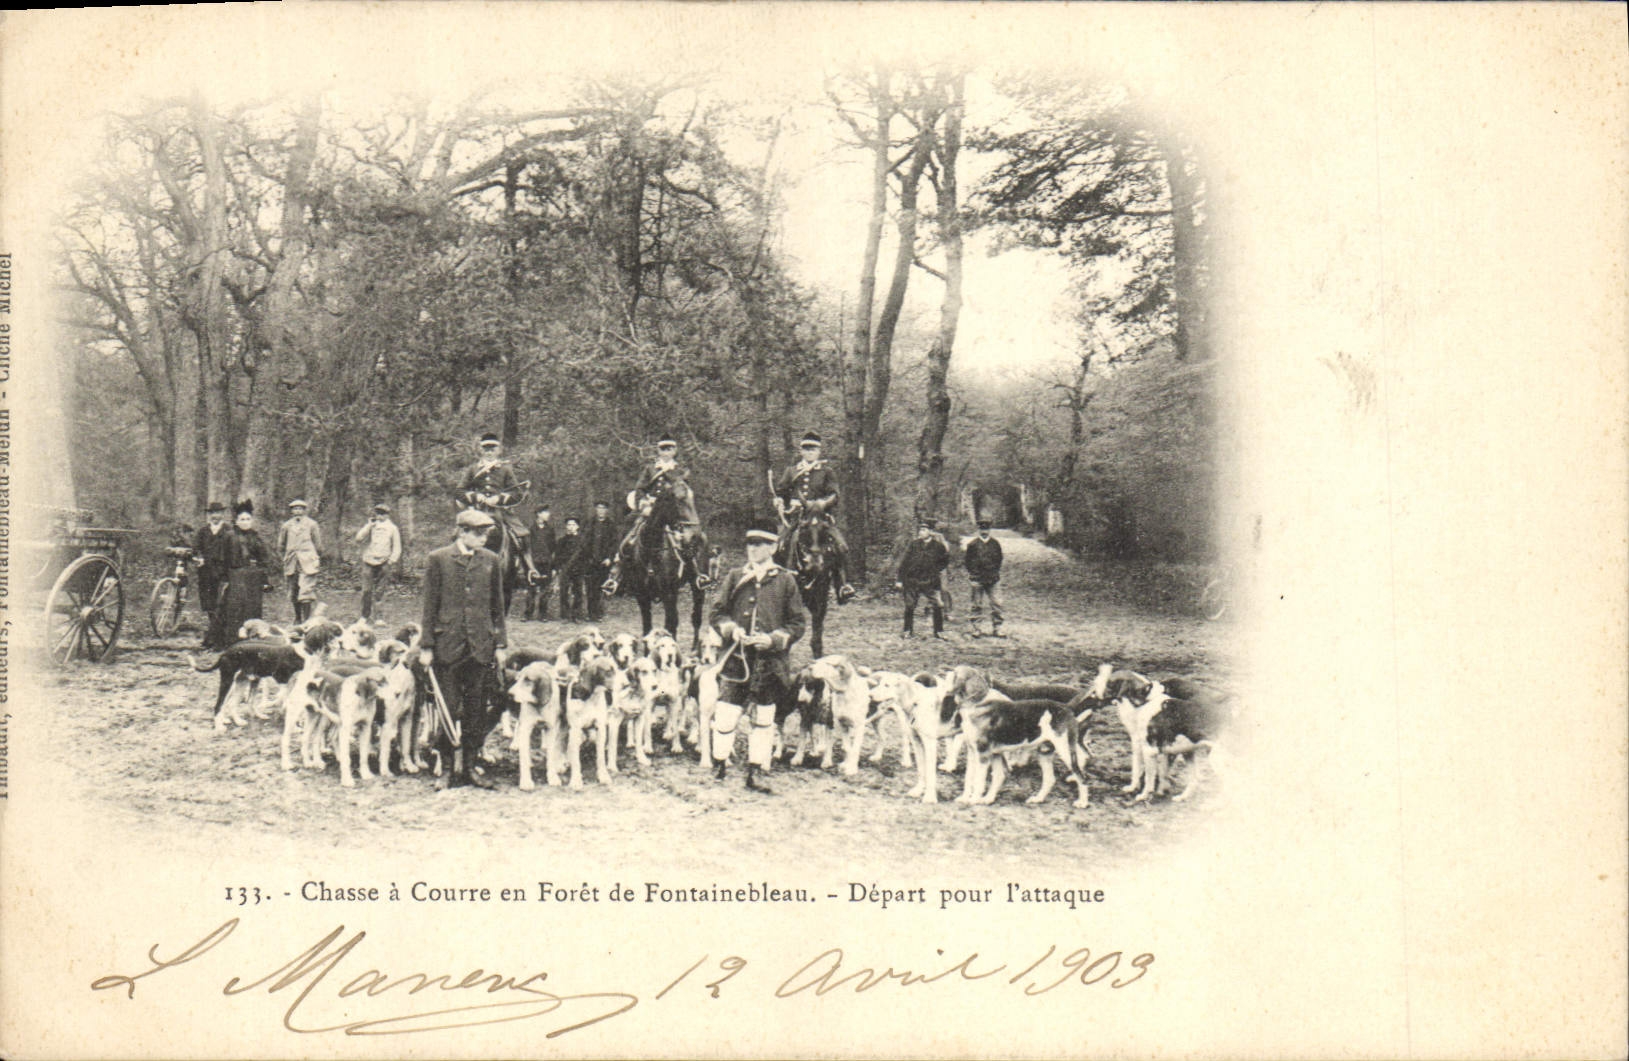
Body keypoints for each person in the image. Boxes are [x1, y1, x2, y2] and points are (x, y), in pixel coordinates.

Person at [707, 526, 807, 794]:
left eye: (760, 544)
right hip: (736, 658)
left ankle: (755, 771)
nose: (753, 548)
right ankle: (719, 765)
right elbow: (716, 613)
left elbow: (797, 623)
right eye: (750, 543)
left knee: (764, 717)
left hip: (769, 662)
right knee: (726, 714)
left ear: (773, 548)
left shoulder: (786, 580)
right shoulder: (735, 576)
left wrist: (774, 640)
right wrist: (732, 630)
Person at [419, 508, 507, 791]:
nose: (483, 539)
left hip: (480, 648)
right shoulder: (438, 559)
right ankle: (446, 769)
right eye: (478, 534)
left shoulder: (491, 561)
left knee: (476, 709)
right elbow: (429, 606)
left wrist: (500, 644)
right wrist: (427, 646)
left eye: (486, 534)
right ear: (462, 531)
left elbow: (498, 606)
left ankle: (470, 767)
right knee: (447, 707)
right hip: (448, 647)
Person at [773, 431, 856, 603]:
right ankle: (777, 586)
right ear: (801, 452)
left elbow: (834, 494)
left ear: (819, 452)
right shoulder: (792, 471)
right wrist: (780, 501)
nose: (810, 452)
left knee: (841, 546)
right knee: (778, 546)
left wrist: (820, 504)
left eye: (813, 449)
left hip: (820, 517)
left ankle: (843, 586)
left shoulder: (826, 471)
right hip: (797, 518)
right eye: (806, 449)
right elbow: (781, 491)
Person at [612, 434, 702, 581]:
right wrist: (643, 503)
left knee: (689, 540)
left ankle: (697, 574)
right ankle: (617, 570)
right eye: (663, 449)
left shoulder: (680, 471)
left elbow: (685, 492)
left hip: (673, 511)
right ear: (658, 451)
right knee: (629, 530)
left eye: (669, 449)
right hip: (650, 509)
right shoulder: (650, 469)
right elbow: (640, 488)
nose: (666, 453)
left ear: (674, 451)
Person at [455, 431, 540, 583]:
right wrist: (476, 497)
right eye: (486, 448)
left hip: (500, 511)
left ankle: (530, 570)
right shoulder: (473, 470)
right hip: (477, 511)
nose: (489, 452)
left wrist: (499, 499)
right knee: (456, 534)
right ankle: (455, 571)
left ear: (498, 450)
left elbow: (517, 493)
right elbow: (459, 491)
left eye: (492, 448)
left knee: (523, 534)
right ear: (481, 450)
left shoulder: (505, 469)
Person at [207, 500, 272, 649]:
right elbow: (220, 559)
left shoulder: (255, 537)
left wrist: (264, 578)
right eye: (242, 519)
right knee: (234, 609)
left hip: (253, 578)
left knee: (252, 608)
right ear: (236, 521)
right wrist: (224, 577)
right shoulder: (228, 536)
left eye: (248, 519)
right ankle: (231, 641)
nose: (245, 522)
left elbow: (264, 560)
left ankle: (252, 640)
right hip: (234, 576)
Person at [897, 517, 951, 639]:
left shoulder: (938, 546)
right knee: (910, 606)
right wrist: (900, 580)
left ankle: (939, 631)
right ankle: (907, 630)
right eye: (920, 529)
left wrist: (935, 570)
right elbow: (904, 563)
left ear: (931, 532)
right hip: (912, 580)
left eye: (924, 530)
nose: (920, 532)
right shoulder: (914, 545)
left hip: (930, 581)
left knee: (937, 605)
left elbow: (945, 560)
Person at [353, 503, 402, 621]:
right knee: (366, 590)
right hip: (368, 561)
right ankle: (364, 615)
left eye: (383, 514)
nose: (380, 516)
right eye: (378, 513)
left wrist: (391, 560)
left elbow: (397, 546)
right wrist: (368, 526)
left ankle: (379, 617)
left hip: (384, 562)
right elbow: (358, 538)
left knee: (380, 591)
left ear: (387, 515)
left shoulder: (392, 528)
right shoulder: (371, 526)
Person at [276, 499, 322, 623]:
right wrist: (285, 557)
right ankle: (297, 617)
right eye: (295, 509)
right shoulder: (286, 526)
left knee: (306, 590)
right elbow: (281, 545)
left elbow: (318, 545)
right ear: (291, 511)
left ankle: (307, 619)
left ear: (304, 510)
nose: (298, 511)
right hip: (292, 561)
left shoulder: (312, 524)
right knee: (294, 589)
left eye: (300, 508)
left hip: (307, 561)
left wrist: (315, 558)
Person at [190, 501, 231, 633]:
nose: (215, 516)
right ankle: (212, 625)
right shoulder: (203, 531)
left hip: (223, 569)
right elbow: (195, 548)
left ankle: (221, 626)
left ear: (222, 514)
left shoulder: (228, 530)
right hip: (206, 569)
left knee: (222, 597)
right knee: (208, 598)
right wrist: (198, 557)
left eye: (218, 513)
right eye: (212, 513)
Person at [963, 519, 1005, 637]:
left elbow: (999, 559)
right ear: (979, 530)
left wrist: (994, 572)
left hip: (993, 579)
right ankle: (977, 628)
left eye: (986, 529)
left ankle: (997, 627)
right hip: (977, 579)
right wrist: (973, 574)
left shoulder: (995, 544)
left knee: (997, 603)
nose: (984, 531)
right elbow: (968, 562)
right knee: (976, 604)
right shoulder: (972, 545)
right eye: (982, 529)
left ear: (989, 530)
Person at [583, 500, 620, 621]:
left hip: (604, 561)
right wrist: (587, 557)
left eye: (603, 508)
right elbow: (584, 541)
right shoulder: (589, 523)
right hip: (590, 561)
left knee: (601, 587)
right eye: (598, 508)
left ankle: (598, 613)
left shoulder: (611, 525)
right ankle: (590, 613)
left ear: (606, 510)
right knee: (590, 587)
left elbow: (614, 543)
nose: (601, 510)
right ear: (595, 509)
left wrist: (609, 557)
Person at [523, 503, 557, 621]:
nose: (548, 515)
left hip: (546, 563)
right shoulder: (530, 529)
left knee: (545, 589)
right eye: (545, 512)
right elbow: (527, 548)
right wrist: (530, 565)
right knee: (531, 589)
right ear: (538, 514)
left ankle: (543, 615)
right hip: (533, 563)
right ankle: (528, 614)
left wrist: (550, 562)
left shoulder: (550, 529)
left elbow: (553, 547)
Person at [557, 517, 587, 622]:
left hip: (578, 569)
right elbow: (558, 556)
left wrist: (582, 567)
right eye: (569, 525)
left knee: (578, 592)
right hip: (565, 569)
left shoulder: (582, 541)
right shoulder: (561, 541)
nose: (571, 527)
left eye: (573, 525)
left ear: (577, 527)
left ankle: (576, 615)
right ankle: (565, 616)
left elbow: (585, 556)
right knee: (564, 592)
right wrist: (560, 568)